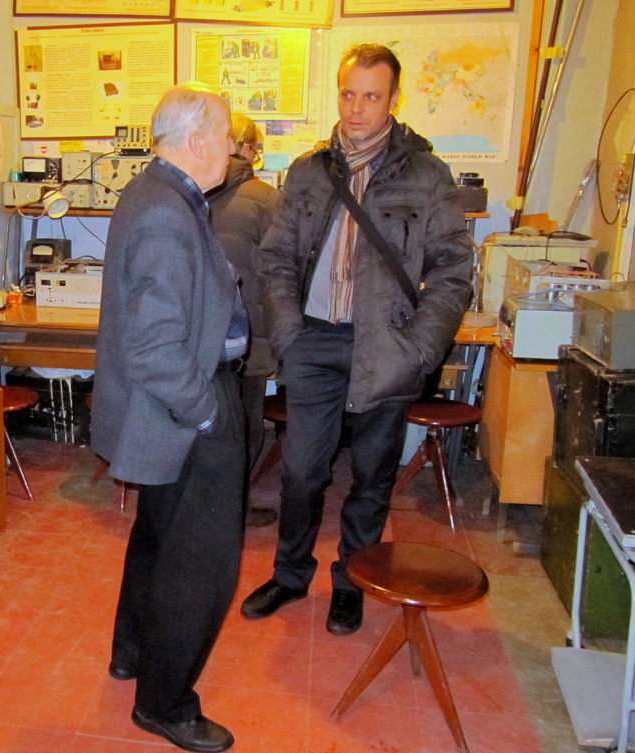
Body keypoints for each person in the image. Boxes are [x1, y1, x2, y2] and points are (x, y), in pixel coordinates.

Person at [241, 44, 472, 635]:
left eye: (371, 96)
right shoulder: (309, 170)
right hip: (314, 342)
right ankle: (291, 575)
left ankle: (352, 581)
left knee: (371, 476)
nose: (356, 108)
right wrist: (289, 334)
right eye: (348, 94)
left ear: (394, 99)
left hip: (387, 347)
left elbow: (452, 272)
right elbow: (276, 259)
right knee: (300, 472)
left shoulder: (427, 176)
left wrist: (419, 350)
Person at [90, 85, 246, 753]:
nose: (234, 147)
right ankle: (164, 703)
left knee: (157, 537)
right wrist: (207, 413)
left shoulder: (156, 191)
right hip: (186, 406)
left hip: (170, 408)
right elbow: (154, 346)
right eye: (228, 136)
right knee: (199, 565)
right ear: (199, 140)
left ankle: (132, 652)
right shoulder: (165, 212)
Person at [207, 113, 281, 528]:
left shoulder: (193, 191)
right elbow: (281, 272)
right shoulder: (267, 199)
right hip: (248, 334)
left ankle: (207, 504)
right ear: (248, 148)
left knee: (210, 421)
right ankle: (235, 508)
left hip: (203, 333)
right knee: (249, 424)